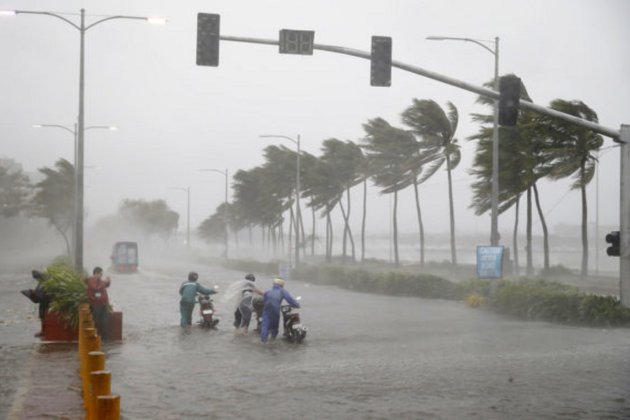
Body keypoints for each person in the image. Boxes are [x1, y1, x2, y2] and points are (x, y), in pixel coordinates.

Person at [260, 277, 300, 343]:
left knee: (265, 326)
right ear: (282, 284)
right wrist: (297, 305)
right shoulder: (282, 291)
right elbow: (290, 300)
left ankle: (263, 342)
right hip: (275, 310)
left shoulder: (268, 291)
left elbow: (264, 301)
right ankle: (272, 341)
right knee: (274, 327)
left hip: (266, 310)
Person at [85, 266, 111, 341]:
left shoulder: (99, 280)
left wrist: (108, 281)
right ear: (96, 273)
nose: (101, 275)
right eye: (100, 274)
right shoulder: (91, 280)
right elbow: (96, 288)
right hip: (96, 304)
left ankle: (105, 339)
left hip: (103, 303)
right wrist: (104, 282)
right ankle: (94, 338)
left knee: (105, 321)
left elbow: (106, 285)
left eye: (101, 274)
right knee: (96, 321)